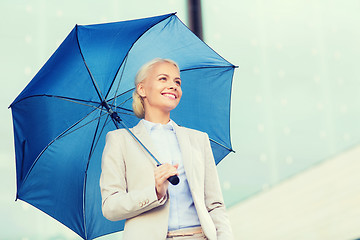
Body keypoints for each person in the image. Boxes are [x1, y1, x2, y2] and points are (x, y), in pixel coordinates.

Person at [100, 58, 233, 240]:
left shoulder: (198, 139)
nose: (173, 85)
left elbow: (215, 204)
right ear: (142, 89)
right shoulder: (120, 140)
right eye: (163, 79)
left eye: (177, 81)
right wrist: (154, 191)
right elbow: (110, 206)